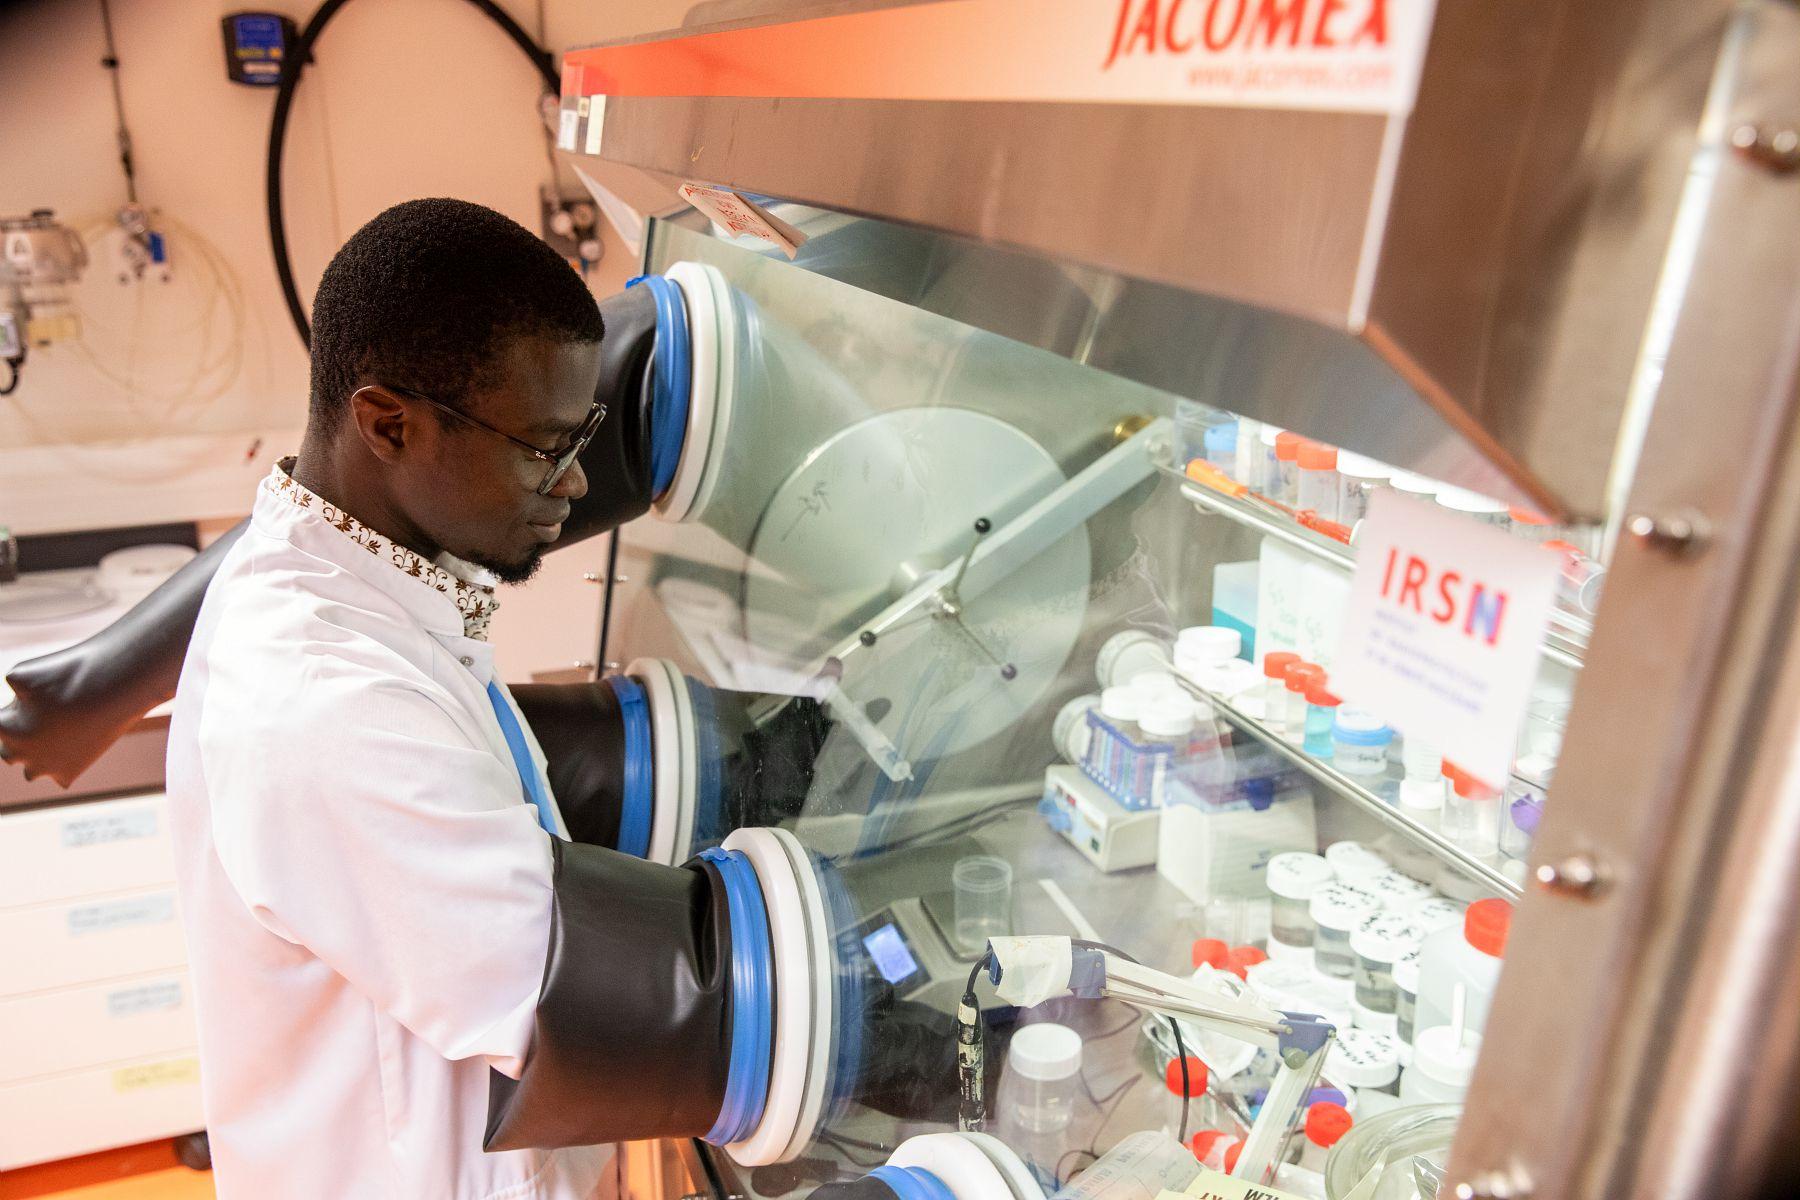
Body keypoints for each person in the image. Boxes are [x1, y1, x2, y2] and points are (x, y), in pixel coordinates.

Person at [159, 198, 683, 1199]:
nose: (576, 484)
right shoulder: (327, 701)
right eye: (545, 448)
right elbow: (563, 999)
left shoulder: (358, 562)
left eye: (582, 436)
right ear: (388, 425)